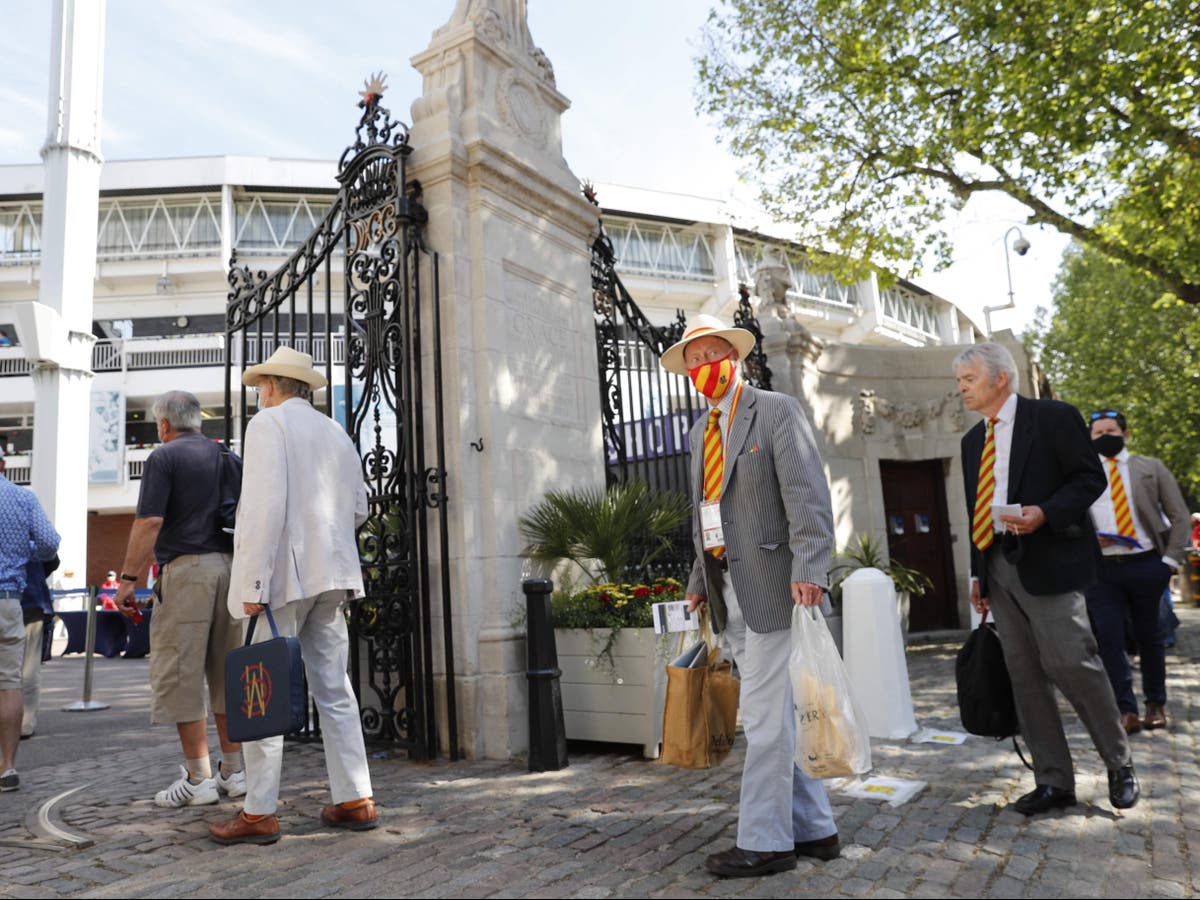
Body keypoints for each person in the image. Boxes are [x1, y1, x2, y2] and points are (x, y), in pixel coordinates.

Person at [661, 314, 839, 878]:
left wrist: (811, 567)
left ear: (734, 358)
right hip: (726, 591)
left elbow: (808, 496)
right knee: (777, 713)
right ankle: (816, 829)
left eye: (709, 355)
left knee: (764, 719)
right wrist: (698, 582)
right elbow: (707, 516)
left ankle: (765, 843)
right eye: (692, 360)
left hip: (778, 588)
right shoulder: (700, 431)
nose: (701, 366)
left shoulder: (775, 410)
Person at [955, 342, 1138, 816]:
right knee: (1025, 677)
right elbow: (976, 511)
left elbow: (1088, 479)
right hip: (998, 564)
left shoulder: (1053, 417)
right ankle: (1053, 781)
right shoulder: (972, 441)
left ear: (1000, 378)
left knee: (1073, 662)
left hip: (1050, 561)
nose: (961, 389)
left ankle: (1119, 763)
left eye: (968, 379)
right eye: (959, 381)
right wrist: (979, 575)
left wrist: (1045, 513)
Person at [208, 346, 374, 846]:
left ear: (272, 387)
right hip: (334, 573)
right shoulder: (335, 431)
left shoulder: (269, 425)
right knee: (335, 688)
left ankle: (259, 811)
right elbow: (361, 507)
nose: (259, 394)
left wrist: (254, 583)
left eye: (261, 386)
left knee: (261, 689)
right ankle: (356, 798)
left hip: (283, 577)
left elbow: (263, 508)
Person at [111, 390, 246, 808]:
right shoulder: (228, 457)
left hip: (187, 571)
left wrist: (128, 579)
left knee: (182, 673)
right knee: (228, 673)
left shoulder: (164, 457)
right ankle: (234, 771)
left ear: (165, 424)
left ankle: (198, 777)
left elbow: (150, 521)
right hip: (232, 570)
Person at [1083, 408, 1189, 733]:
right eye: (1099, 433)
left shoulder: (1150, 468)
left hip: (1146, 563)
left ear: (1125, 434)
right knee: (1109, 637)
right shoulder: (1083, 473)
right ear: (1090, 438)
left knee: (1150, 636)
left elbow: (1180, 515)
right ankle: (1125, 710)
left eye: (1111, 431)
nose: (1105, 437)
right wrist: (1087, 541)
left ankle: (1155, 705)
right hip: (1102, 571)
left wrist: (1170, 561)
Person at [0, 457, 60, 790]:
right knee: (10, 682)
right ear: (3, 465)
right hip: (8, 599)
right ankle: (7, 767)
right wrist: (25, 551)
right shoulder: (22, 497)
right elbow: (50, 542)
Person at [20, 555, 58, 738]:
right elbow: (52, 556)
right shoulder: (30, 536)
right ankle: (24, 723)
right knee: (29, 665)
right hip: (31, 597)